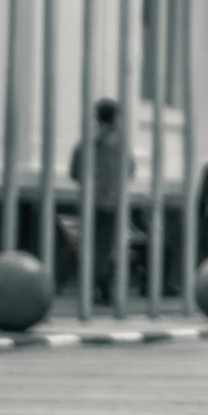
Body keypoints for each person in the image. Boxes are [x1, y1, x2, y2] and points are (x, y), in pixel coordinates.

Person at [70, 100, 129, 305]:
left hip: (87, 201)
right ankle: (101, 286)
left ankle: (90, 285)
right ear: (114, 117)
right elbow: (128, 169)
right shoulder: (119, 141)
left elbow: (74, 172)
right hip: (110, 202)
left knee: (88, 243)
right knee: (107, 246)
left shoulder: (85, 140)